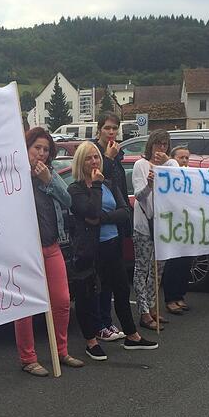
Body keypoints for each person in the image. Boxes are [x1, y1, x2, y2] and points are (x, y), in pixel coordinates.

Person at [68, 141, 157, 361]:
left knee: (121, 291)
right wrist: (96, 188)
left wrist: (101, 219)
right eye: (89, 158)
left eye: (96, 157)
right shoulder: (76, 189)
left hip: (113, 245)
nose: (94, 161)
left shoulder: (108, 183)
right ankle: (91, 340)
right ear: (81, 161)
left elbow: (124, 211)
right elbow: (90, 209)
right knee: (88, 295)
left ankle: (132, 336)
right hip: (90, 250)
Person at [14, 128, 85, 376]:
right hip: (26, 250)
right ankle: (28, 357)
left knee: (62, 300)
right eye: (37, 148)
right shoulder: (16, 176)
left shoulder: (51, 174)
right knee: (26, 306)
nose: (41, 154)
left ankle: (60, 350)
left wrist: (49, 181)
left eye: (46, 150)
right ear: (27, 148)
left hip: (52, 245)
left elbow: (68, 201)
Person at [132, 130, 176, 330]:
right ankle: (143, 311)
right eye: (158, 144)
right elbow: (139, 196)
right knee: (142, 269)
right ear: (150, 145)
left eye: (165, 144)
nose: (161, 148)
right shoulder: (140, 165)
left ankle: (152, 306)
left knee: (158, 269)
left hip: (163, 225)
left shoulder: (169, 166)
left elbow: (179, 178)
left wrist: (167, 162)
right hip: (144, 225)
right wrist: (150, 185)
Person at [91, 111, 129, 342]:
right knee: (101, 282)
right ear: (99, 130)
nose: (111, 132)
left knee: (116, 282)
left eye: (114, 128)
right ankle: (101, 324)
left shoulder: (118, 153)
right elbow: (96, 178)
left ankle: (108, 320)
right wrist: (108, 157)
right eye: (107, 128)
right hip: (100, 230)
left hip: (116, 221)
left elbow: (118, 186)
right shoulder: (95, 153)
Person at [162, 145, 194, 314]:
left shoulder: (191, 177)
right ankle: (170, 298)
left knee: (185, 263)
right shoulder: (168, 176)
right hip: (173, 225)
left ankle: (180, 295)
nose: (184, 161)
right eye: (181, 158)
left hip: (187, 225)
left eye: (187, 158)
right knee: (173, 263)